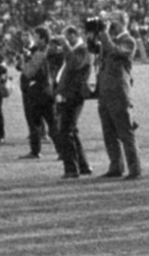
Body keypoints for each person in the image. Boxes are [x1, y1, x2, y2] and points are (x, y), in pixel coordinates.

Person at [94, 12, 140, 180]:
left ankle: (134, 170)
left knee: (125, 133)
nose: (109, 23)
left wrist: (105, 33)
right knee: (109, 134)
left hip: (119, 93)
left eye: (112, 20)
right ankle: (116, 166)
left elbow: (114, 51)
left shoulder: (129, 41)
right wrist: (94, 36)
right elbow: (97, 52)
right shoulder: (109, 39)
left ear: (121, 22)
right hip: (105, 92)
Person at [53, 25, 93, 179]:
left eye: (67, 37)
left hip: (74, 95)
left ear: (73, 35)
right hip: (68, 95)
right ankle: (83, 166)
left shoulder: (82, 50)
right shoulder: (75, 50)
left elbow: (74, 64)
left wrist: (65, 45)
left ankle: (71, 169)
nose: (65, 41)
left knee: (65, 132)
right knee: (72, 131)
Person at [18, 27, 57, 159]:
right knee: (44, 123)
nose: (33, 39)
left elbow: (29, 71)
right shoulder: (44, 50)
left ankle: (59, 151)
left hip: (42, 92)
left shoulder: (45, 51)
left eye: (35, 36)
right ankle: (39, 151)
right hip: (41, 91)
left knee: (46, 123)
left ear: (42, 38)